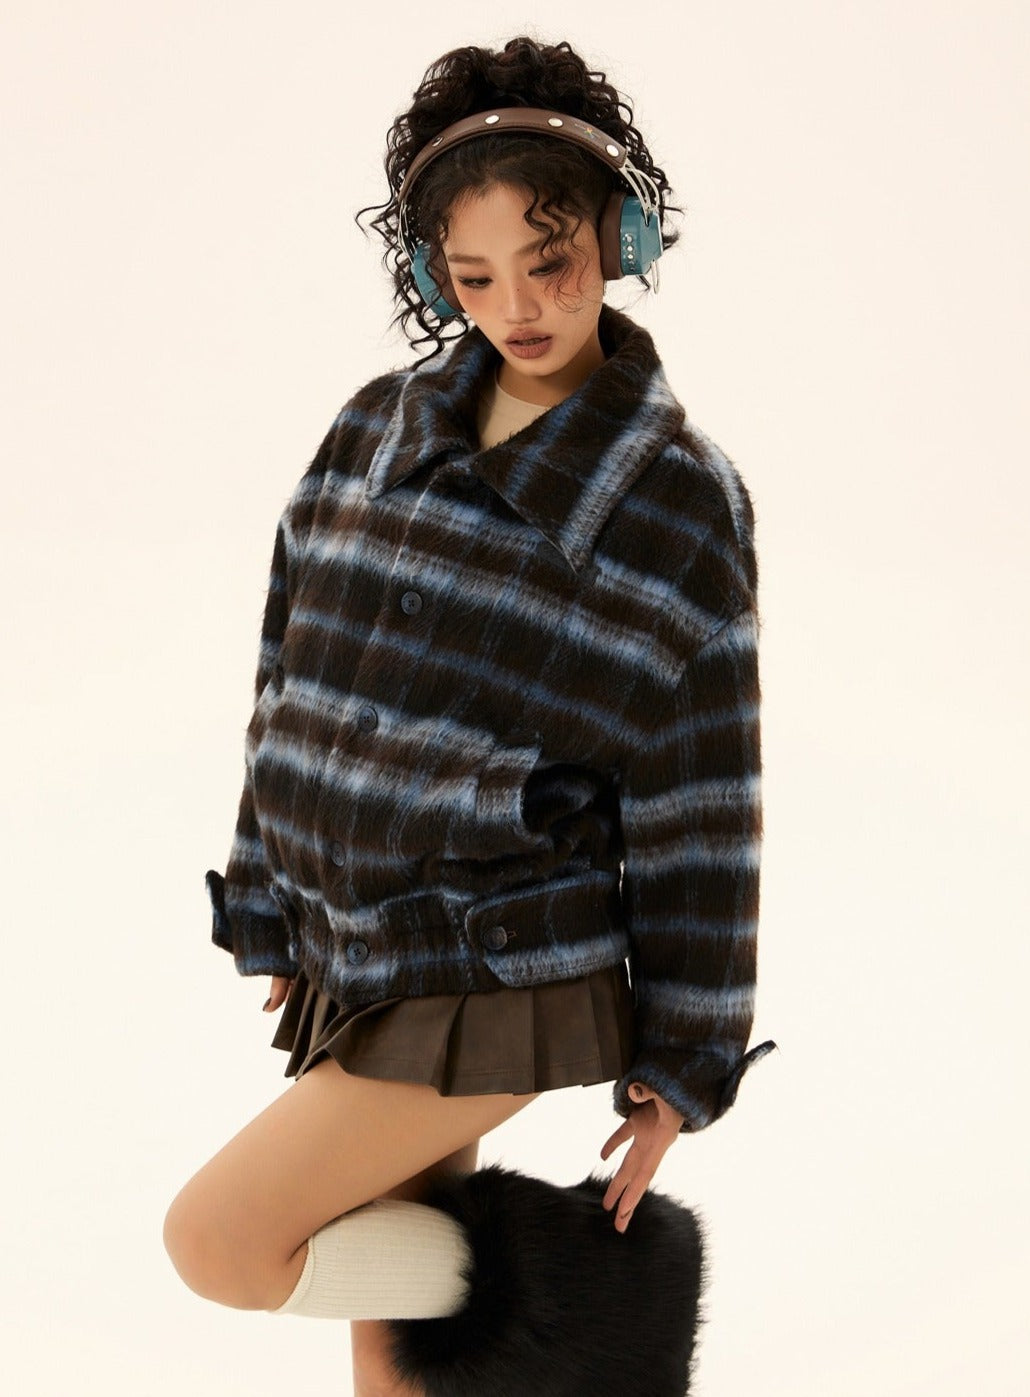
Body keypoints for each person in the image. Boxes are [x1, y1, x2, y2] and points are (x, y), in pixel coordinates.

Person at [163, 33, 776, 1397]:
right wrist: (272, 898)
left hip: (505, 963)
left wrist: (685, 1059)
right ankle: (518, 1329)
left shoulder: (678, 498)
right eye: (475, 275)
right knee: (392, 1354)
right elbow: (288, 675)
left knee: (223, 1241)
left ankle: (587, 1298)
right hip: (364, 945)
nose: (518, 307)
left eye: (549, 263)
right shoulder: (372, 428)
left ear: (619, 240)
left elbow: (704, 793)